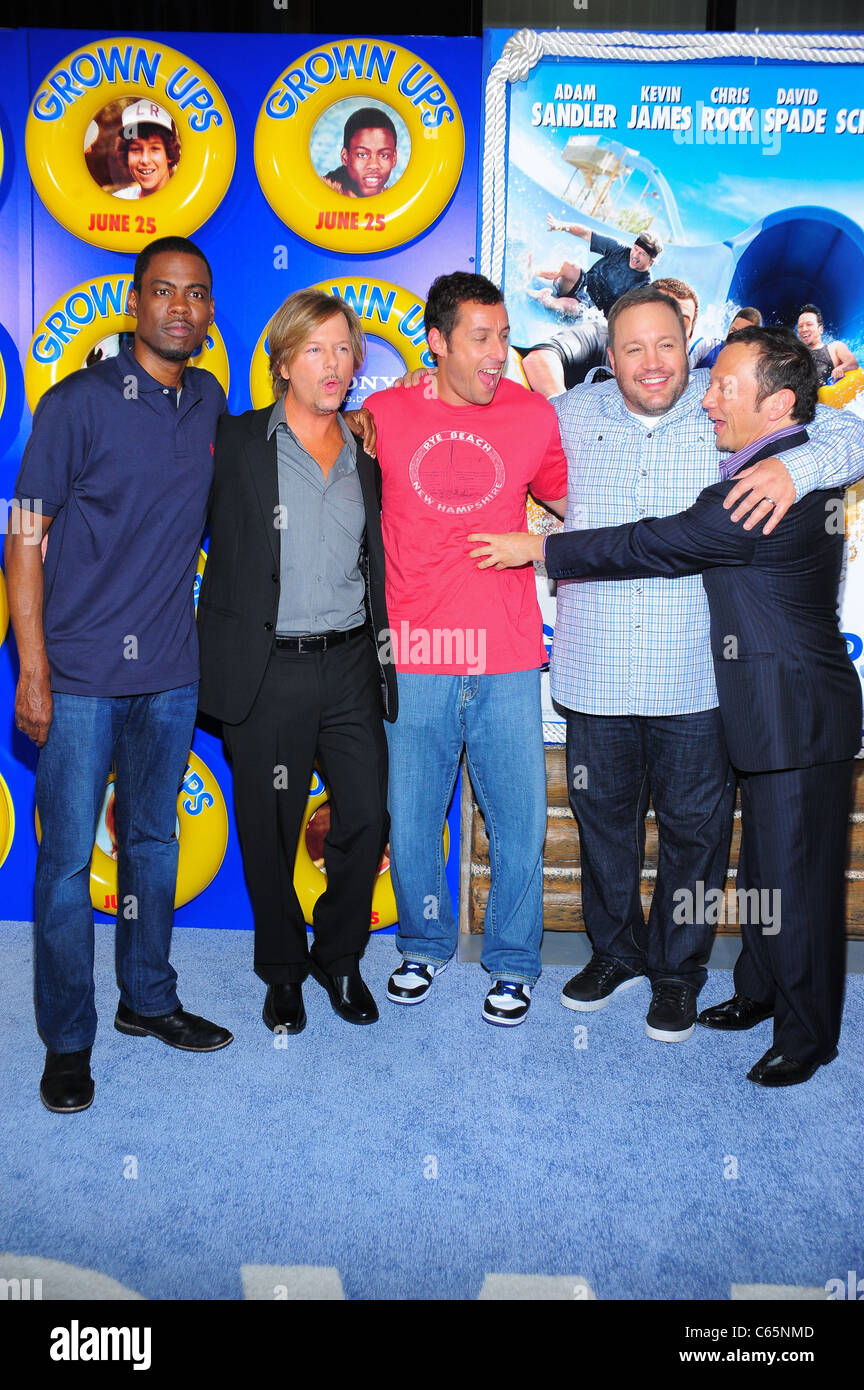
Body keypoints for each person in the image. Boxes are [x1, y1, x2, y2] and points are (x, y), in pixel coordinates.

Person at [468, 285, 864, 1044]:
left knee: (696, 834)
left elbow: (847, 430)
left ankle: (678, 974)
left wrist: (800, 472)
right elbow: (481, 432)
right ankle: (614, 954)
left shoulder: (726, 415)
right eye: (632, 349)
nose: (653, 365)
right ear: (606, 357)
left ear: (690, 342)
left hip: (698, 678)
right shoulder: (566, 417)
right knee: (604, 828)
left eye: (667, 346)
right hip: (595, 670)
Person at [6, 236, 233, 1114]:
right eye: (165, 292)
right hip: (80, 675)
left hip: (173, 673)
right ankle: (68, 1040)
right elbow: (23, 536)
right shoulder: (75, 406)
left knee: (151, 845)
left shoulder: (209, 400)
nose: (182, 308)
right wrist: (34, 667)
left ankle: (148, 999)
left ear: (209, 313)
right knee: (66, 865)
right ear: (135, 302)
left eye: (197, 295)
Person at [365, 272, 567, 1025]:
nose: (497, 355)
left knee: (519, 820)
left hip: (508, 655)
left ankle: (512, 964)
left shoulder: (532, 415)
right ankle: (421, 943)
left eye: (504, 336)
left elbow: (584, 513)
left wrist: (538, 543)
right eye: (480, 339)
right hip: (414, 653)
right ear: (436, 344)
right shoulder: (385, 413)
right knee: (413, 817)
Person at [196, 290, 396, 1034]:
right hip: (265, 666)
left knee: (367, 816)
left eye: (345, 349)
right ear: (283, 363)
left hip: (348, 664)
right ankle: (282, 970)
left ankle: (338, 956)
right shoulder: (235, 442)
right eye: (316, 349)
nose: (334, 364)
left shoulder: (368, 451)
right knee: (269, 830)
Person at [523, 275, 699, 398]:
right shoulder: (600, 336)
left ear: (688, 338)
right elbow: (540, 360)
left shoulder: (680, 385)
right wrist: (563, 411)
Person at [526, 219, 661, 318]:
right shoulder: (620, 250)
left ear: (650, 261)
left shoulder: (644, 284)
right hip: (583, 284)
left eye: (642, 254)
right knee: (569, 267)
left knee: (573, 305)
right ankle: (533, 271)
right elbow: (586, 234)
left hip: (592, 309)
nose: (635, 255)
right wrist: (562, 226)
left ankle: (545, 299)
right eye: (635, 249)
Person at [321, 107, 398, 198]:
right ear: (345, 157)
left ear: (394, 159)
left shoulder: (398, 204)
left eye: (384, 155)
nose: (373, 165)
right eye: (362, 155)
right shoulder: (317, 197)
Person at [112, 100, 180, 199]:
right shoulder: (119, 201)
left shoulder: (187, 202)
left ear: (169, 154)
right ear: (126, 155)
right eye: (135, 149)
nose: (145, 160)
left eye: (155, 148)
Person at [796, 303, 859, 386]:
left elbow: (853, 363)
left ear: (821, 329)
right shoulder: (796, 355)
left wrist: (841, 368)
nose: (804, 329)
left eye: (809, 324)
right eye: (800, 326)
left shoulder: (834, 348)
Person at [698, 305, 763, 372]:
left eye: (742, 335)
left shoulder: (750, 371)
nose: (734, 337)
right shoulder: (706, 347)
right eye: (733, 330)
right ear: (730, 326)